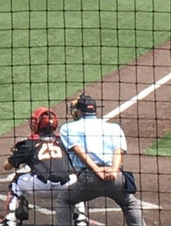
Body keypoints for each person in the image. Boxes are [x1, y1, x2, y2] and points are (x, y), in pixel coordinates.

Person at [54, 93, 145, 226]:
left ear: (79, 111)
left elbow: (79, 150)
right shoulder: (114, 127)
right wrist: (113, 171)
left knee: (64, 200)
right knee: (130, 203)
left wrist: (96, 170)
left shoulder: (68, 128)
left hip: (89, 178)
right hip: (115, 177)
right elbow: (118, 151)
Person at [0, 107, 86, 226]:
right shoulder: (64, 140)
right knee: (77, 180)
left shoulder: (29, 143)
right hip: (65, 187)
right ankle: (81, 220)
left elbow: (6, 166)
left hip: (39, 187)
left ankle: (10, 220)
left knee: (16, 183)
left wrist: (18, 152)